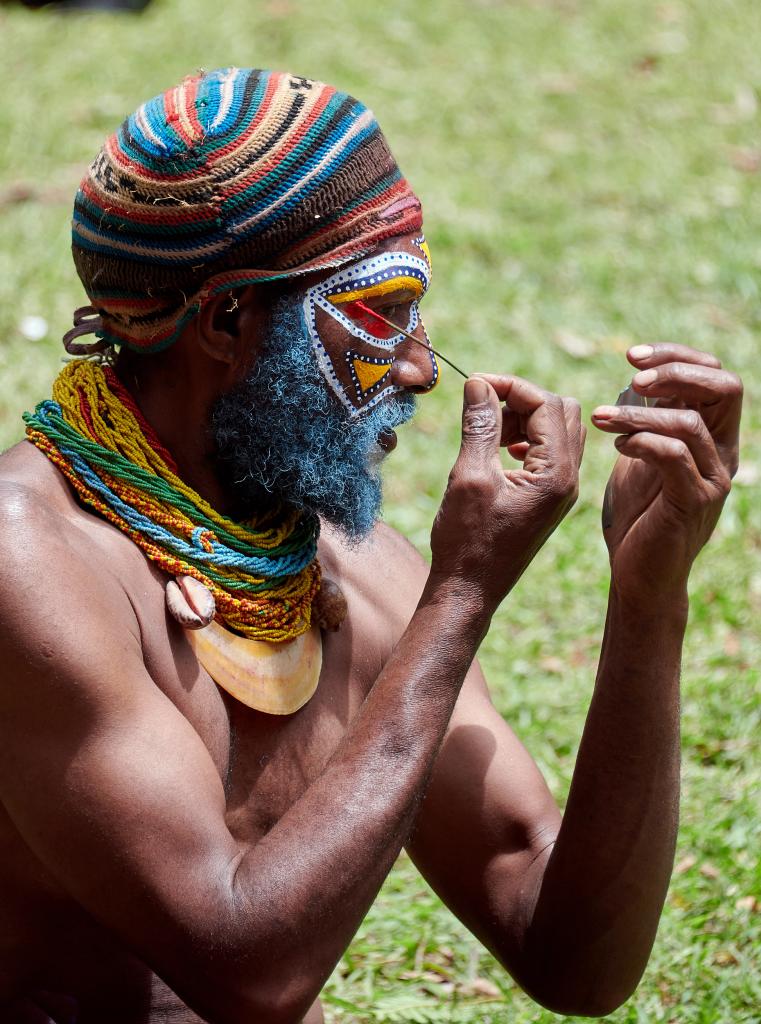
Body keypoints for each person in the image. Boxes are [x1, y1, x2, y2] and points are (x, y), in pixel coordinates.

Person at [0, 68, 742, 1024]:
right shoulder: (34, 566)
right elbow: (248, 974)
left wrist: (650, 594)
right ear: (226, 319)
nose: (422, 367)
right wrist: (463, 593)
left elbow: (573, 960)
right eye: (382, 312)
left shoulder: (349, 568)